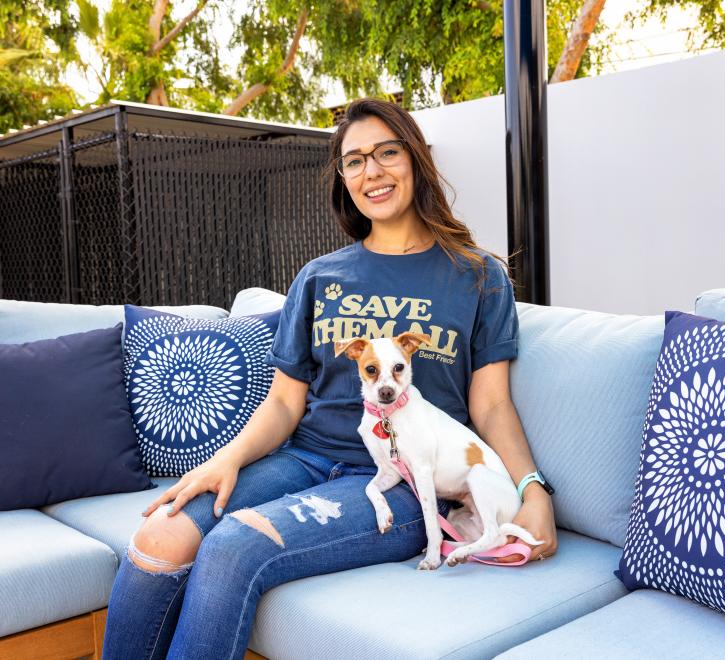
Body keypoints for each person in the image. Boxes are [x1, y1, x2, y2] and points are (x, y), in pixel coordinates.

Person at [103, 97, 557, 659]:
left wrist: (532, 490)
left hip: (400, 478)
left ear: (416, 159)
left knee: (231, 549)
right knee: (158, 534)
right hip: (305, 458)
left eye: (387, 152)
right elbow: (284, 404)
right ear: (343, 178)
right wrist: (227, 459)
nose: (372, 172)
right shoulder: (319, 276)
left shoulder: (478, 275)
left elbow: (491, 406)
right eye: (354, 160)